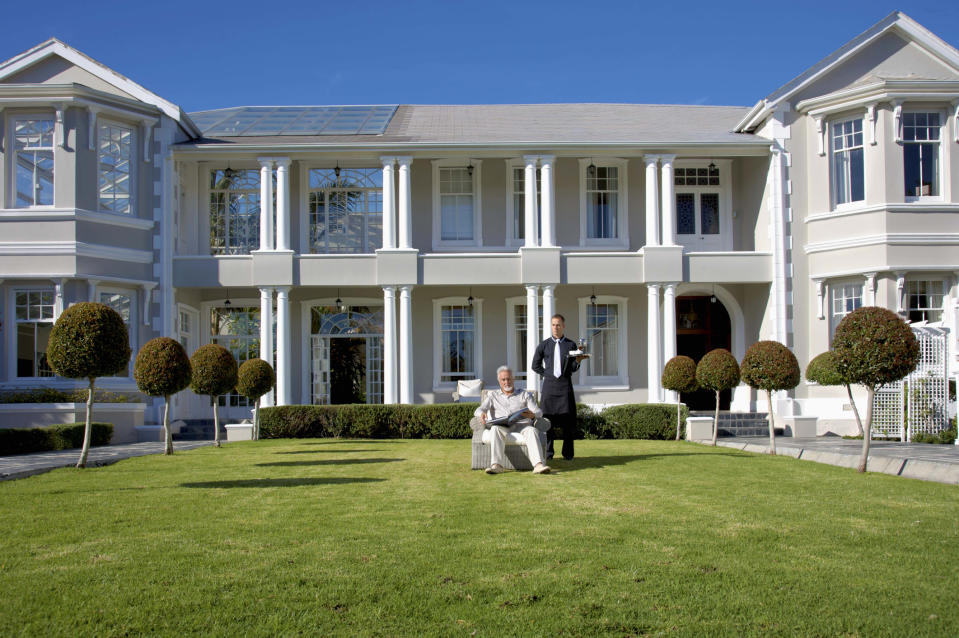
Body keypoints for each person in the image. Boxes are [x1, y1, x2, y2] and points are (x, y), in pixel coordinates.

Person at [473, 366, 551, 475]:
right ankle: (496, 465)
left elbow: (539, 412)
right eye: (503, 380)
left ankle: (538, 465)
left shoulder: (524, 394)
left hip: (522, 426)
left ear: (513, 379)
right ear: (499, 381)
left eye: (509, 379)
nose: (506, 382)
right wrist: (481, 414)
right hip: (502, 426)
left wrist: (533, 415)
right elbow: (479, 409)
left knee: (532, 431)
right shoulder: (493, 395)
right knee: (495, 428)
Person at [531, 314, 587, 460]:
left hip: (565, 386)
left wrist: (579, 362)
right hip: (549, 387)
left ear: (563, 326)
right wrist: (547, 374)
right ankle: (548, 453)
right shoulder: (543, 345)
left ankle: (568, 454)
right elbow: (534, 365)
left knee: (568, 422)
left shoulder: (571, 345)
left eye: (558, 325)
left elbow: (573, 367)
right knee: (547, 421)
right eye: (553, 325)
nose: (555, 328)